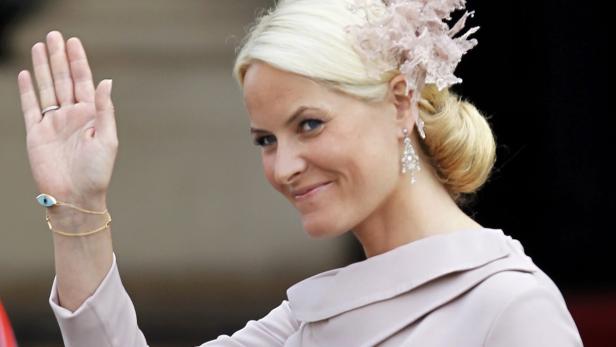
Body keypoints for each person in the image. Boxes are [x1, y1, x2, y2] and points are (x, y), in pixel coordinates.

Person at [16, 0, 583, 346]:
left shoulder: (511, 306)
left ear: (401, 102)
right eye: (266, 139)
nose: (284, 166)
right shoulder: (307, 318)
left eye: (309, 124)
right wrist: (76, 206)